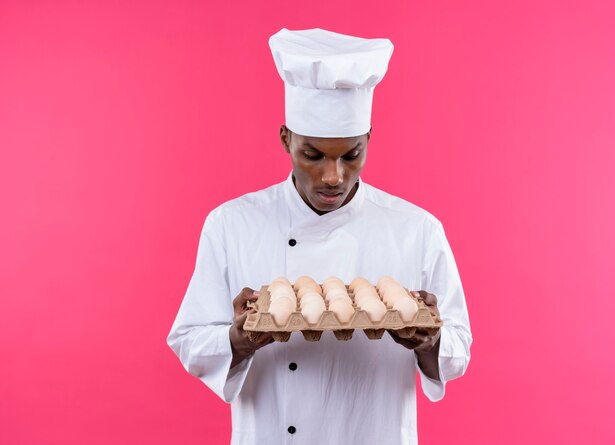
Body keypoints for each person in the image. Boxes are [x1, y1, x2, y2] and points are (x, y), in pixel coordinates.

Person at [167, 28, 472, 445]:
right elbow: (188, 339)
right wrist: (236, 341)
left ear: (368, 140)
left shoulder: (416, 229)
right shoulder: (231, 225)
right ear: (286, 139)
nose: (333, 176)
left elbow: (459, 349)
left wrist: (430, 341)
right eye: (313, 155)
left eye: (352, 155)